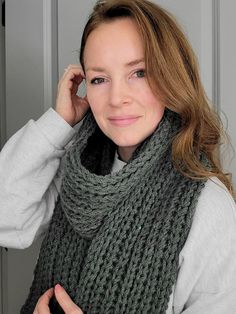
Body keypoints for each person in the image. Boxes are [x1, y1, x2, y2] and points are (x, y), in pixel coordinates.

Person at [0, 0, 236, 313]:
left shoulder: (209, 207)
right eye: (99, 79)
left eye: (139, 72)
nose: (116, 98)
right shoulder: (77, 171)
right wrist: (59, 122)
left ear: (171, 76)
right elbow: (6, 219)